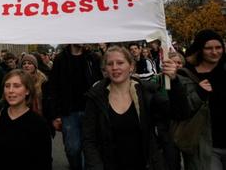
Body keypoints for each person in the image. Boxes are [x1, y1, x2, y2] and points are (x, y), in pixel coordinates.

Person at [82, 46, 188, 170]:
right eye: (110, 64)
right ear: (105, 69)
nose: (115, 67)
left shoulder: (148, 93)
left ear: (131, 66)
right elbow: (89, 139)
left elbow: (180, 113)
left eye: (120, 63)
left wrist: (174, 81)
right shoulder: (95, 97)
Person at [49, 44, 103, 170]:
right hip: (69, 112)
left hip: (90, 110)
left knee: (89, 148)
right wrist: (55, 115)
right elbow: (53, 88)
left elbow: (100, 82)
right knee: (73, 148)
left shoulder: (92, 58)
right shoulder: (60, 59)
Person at [178, 29, 226, 170]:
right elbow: (182, 109)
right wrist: (199, 93)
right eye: (209, 48)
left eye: (218, 47)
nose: (214, 52)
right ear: (200, 49)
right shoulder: (187, 74)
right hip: (205, 146)